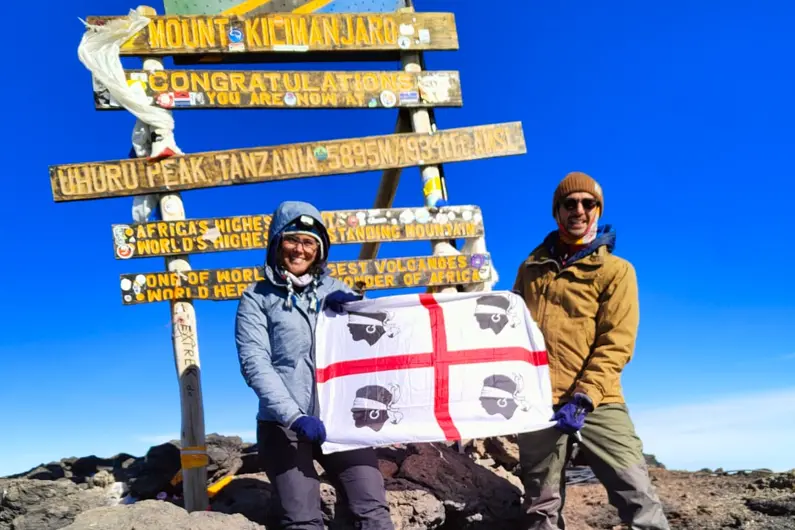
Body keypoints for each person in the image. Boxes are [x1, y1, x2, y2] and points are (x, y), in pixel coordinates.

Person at [512, 172, 669, 529]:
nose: (579, 210)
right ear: (557, 212)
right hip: (539, 404)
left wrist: (584, 397)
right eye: (570, 203)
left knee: (637, 494)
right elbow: (509, 328)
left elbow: (617, 341)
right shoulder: (529, 270)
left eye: (588, 203)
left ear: (598, 210)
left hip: (599, 400)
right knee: (540, 506)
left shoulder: (616, 271)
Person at [234, 200, 394, 530]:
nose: (299, 250)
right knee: (302, 520)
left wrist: (356, 310)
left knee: (372, 509)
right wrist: (293, 416)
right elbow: (255, 363)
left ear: (319, 251)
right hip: (284, 426)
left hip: (341, 420)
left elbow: (375, 342)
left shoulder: (338, 291)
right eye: (292, 239)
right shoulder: (256, 298)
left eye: (309, 242)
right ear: (276, 244)